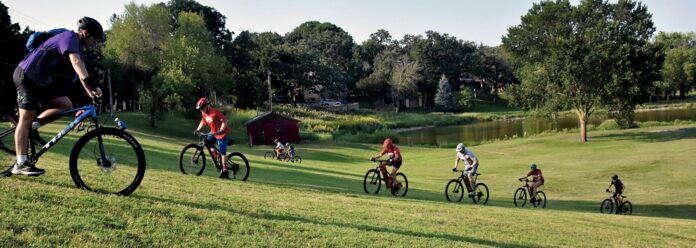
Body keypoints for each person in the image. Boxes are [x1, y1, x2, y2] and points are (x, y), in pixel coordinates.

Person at [11, 17, 104, 176]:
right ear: (86, 33)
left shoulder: (77, 46)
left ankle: (31, 129)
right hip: (26, 76)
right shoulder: (69, 37)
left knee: (65, 105)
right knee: (26, 118)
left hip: (41, 81)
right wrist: (91, 85)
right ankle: (20, 163)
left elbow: (79, 72)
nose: (95, 43)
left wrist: (92, 93)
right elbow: (76, 63)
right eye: (95, 39)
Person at [193, 98, 231, 179]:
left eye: (202, 108)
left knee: (222, 151)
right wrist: (197, 129)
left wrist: (221, 130)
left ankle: (225, 170)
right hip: (213, 132)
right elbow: (203, 122)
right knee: (207, 143)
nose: (201, 110)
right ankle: (217, 157)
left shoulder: (214, 112)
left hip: (222, 133)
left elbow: (225, 120)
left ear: (206, 106)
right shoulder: (204, 113)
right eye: (200, 109)